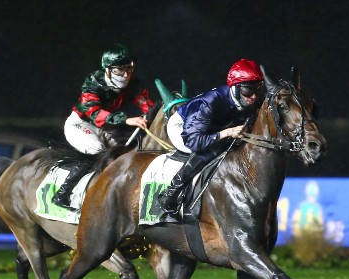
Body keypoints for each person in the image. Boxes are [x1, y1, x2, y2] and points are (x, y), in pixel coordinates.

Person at [53, 43, 155, 210]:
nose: (125, 75)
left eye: (128, 69)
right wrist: (126, 120)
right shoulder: (93, 82)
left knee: (123, 156)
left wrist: (154, 113)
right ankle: (62, 194)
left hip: (105, 128)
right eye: (119, 70)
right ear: (107, 70)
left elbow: (146, 104)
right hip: (81, 124)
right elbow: (94, 113)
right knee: (101, 153)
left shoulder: (134, 84)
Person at [157, 58, 265, 214]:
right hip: (183, 129)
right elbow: (193, 142)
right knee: (212, 150)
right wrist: (226, 133)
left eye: (258, 90)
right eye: (248, 90)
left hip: (212, 126)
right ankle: (171, 193)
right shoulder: (209, 103)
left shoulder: (249, 100)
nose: (254, 96)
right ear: (235, 88)